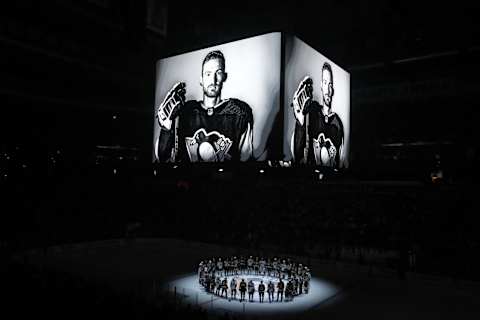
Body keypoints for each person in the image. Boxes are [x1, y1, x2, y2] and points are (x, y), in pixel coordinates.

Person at [155, 50, 254, 162]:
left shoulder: (238, 112)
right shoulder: (186, 111)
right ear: (201, 80)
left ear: (224, 77)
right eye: (208, 74)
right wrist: (166, 128)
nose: (213, 80)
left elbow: (246, 161)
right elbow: (162, 157)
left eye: (218, 73)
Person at [291, 62, 344, 168]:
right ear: (321, 86)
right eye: (325, 83)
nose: (328, 90)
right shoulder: (313, 113)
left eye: (330, 84)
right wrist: (300, 120)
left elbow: (340, 160)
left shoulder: (337, 123)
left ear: (332, 89)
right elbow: (297, 155)